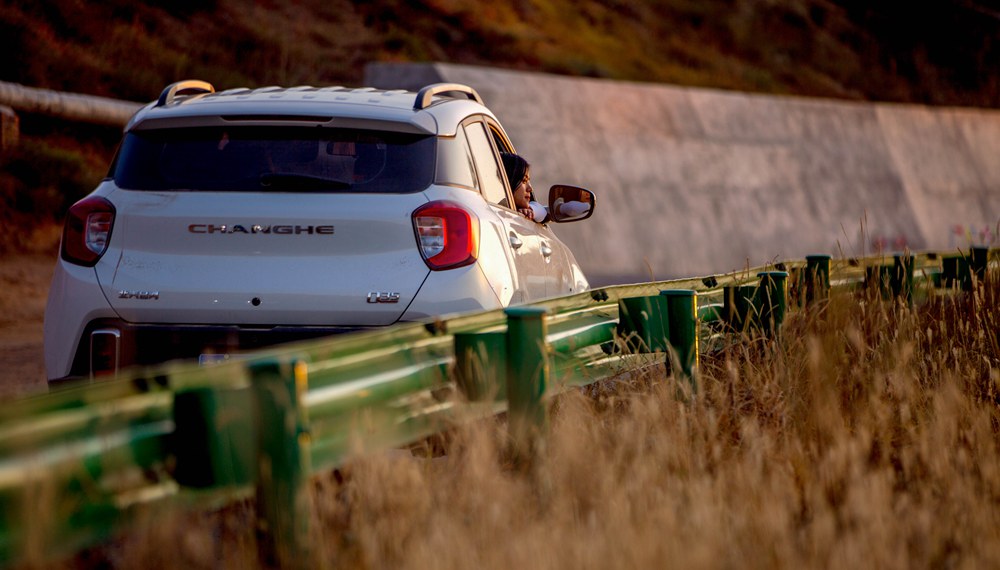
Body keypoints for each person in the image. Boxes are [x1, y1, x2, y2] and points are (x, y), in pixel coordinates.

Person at [500, 152, 548, 222]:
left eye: (528, 181)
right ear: (508, 181)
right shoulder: (501, 210)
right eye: (524, 181)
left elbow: (541, 211)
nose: (530, 189)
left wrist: (531, 210)